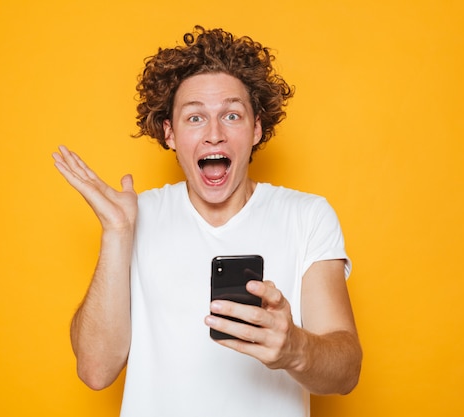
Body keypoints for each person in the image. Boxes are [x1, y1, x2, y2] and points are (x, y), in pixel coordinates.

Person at [52, 25, 362, 417]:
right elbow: (95, 371)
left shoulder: (307, 216)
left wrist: (294, 348)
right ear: (170, 133)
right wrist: (116, 234)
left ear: (256, 129)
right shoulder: (134, 218)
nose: (214, 134)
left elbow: (347, 371)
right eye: (195, 118)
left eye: (231, 115)